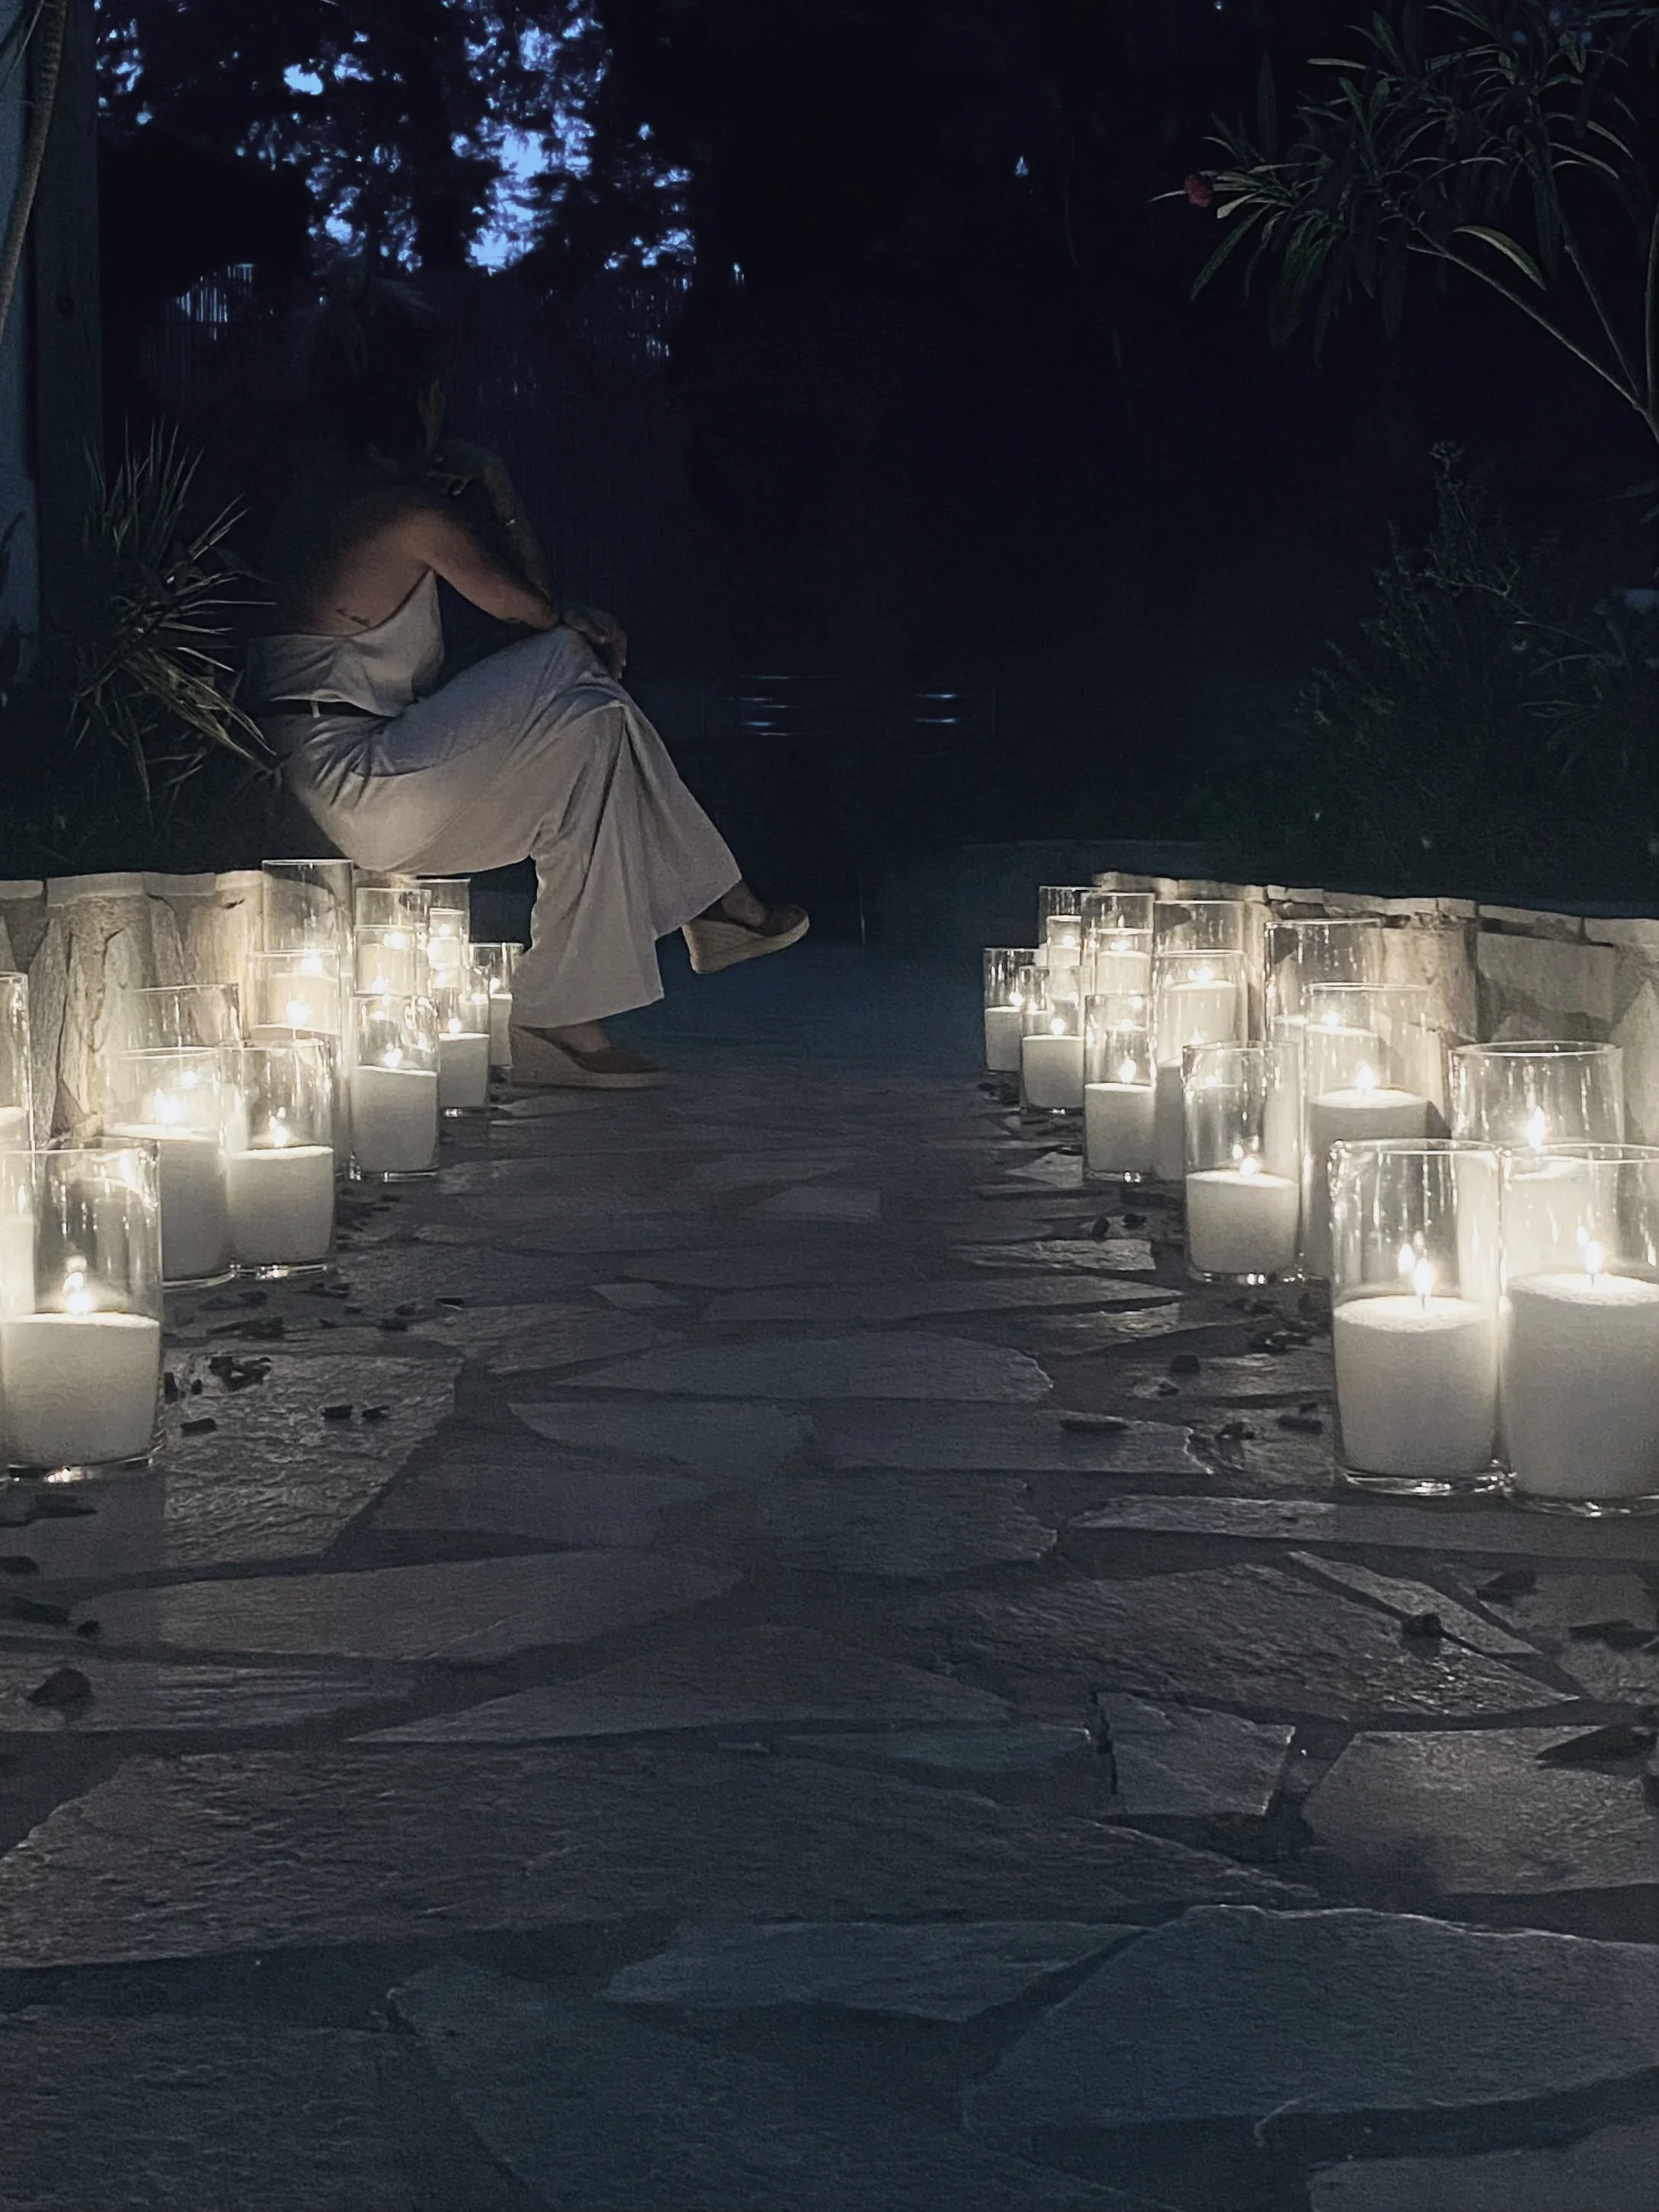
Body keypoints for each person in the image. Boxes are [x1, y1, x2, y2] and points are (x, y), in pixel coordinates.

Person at [248, 293, 806, 1090]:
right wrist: (500, 492)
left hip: (355, 783)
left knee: (593, 736)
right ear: (417, 401)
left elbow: (534, 628)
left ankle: (561, 1016)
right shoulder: (405, 514)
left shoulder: (314, 501)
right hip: (359, 777)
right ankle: (717, 898)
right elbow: (538, 614)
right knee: (571, 668)